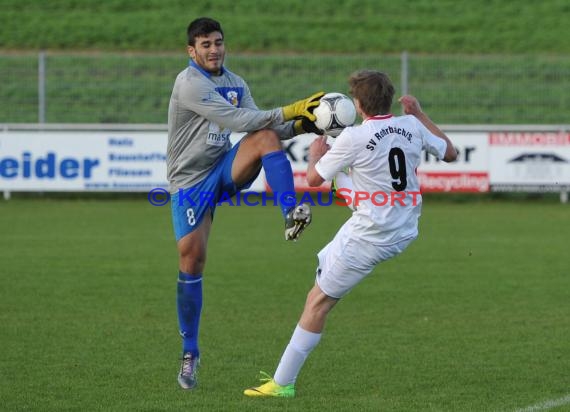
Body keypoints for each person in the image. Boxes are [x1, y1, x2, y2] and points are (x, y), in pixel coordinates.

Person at [244, 70, 458, 398]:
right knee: (351, 192)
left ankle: (281, 383)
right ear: (389, 98)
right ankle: (284, 376)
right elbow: (451, 153)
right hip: (403, 226)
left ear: (358, 105)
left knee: (317, 302)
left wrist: (316, 157)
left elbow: (313, 179)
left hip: (370, 236)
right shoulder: (412, 125)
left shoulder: (353, 137)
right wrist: (418, 113)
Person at [167, 17, 324, 390]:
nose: (214, 49)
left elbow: (258, 125)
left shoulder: (235, 83)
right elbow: (238, 118)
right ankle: (190, 351)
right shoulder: (188, 83)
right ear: (192, 51)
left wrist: (305, 123)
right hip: (189, 183)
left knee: (265, 136)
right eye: (205, 44)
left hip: (224, 169)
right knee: (192, 258)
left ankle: (291, 212)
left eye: (218, 42)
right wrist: (292, 109)